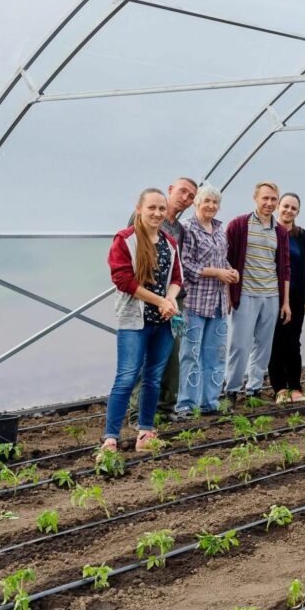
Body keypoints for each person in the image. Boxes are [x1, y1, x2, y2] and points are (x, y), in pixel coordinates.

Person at [100, 188, 182, 455]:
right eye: (152, 208)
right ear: (139, 209)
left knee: (153, 378)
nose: (157, 213)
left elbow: (177, 279)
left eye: (161, 208)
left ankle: (145, 434)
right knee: (125, 378)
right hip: (134, 322)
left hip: (163, 323)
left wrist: (170, 299)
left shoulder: (169, 242)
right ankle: (110, 439)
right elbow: (124, 281)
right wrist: (160, 302)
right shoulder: (125, 240)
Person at [128, 177, 197, 421]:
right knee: (144, 355)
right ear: (170, 190)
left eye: (191, 196)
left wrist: (173, 298)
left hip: (174, 299)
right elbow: (136, 260)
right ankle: (138, 411)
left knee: (170, 354)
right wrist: (154, 297)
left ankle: (166, 408)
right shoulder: (142, 220)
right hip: (148, 298)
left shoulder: (179, 229)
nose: (186, 198)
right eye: (182, 192)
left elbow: (178, 267)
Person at [175, 184, 237, 417]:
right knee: (190, 354)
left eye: (215, 202)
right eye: (206, 201)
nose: (211, 206)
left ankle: (210, 402)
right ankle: (186, 405)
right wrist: (217, 273)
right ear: (196, 203)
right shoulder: (188, 229)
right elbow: (186, 265)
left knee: (216, 354)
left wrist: (231, 272)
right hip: (195, 302)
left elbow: (222, 260)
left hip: (219, 302)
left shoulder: (219, 230)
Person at [225, 181, 291, 401]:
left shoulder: (280, 231)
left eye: (273, 199)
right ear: (255, 198)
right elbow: (227, 259)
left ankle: (254, 389)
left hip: (271, 294)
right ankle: (232, 390)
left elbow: (284, 267)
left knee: (263, 345)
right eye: (265, 198)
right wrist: (228, 294)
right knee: (240, 345)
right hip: (245, 293)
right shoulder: (239, 225)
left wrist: (285, 301)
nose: (269, 203)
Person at [268, 192, 305, 404]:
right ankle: (279, 388)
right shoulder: (269, 232)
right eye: (285, 206)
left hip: (296, 296)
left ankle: (295, 386)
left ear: (297, 212)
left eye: (293, 208)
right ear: (279, 206)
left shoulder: (302, 236)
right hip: (272, 295)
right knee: (275, 341)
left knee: (293, 341)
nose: (288, 211)